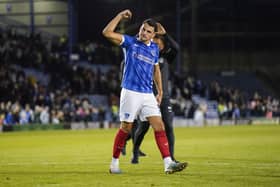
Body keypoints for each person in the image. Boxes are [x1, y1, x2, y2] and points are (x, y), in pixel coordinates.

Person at [102, 9, 187, 174]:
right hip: (130, 92)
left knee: (159, 125)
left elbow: (156, 71)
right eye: (142, 29)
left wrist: (160, 91)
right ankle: (114, 164)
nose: (144, 33)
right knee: (126, 128)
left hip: (148, 94)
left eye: (148, 31)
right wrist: (119, 16)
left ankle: (168, 163)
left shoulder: (154, 49)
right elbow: (106, 33)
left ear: (153, 35)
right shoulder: (129, 42)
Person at [131, 24, 180, 164]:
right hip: (147, 95)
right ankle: (135, 151)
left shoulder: (166, 56)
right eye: (155, 40)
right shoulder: (145, 53)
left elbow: (176, 48)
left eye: (161, 41)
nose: (158, 44)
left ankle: (171, 157)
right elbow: (136, 41)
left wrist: (165, 34)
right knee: (144, 126)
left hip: (164, 97)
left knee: (168, 126)